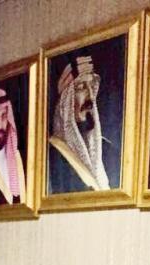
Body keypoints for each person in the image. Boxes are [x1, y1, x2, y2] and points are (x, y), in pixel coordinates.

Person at [48, 55, 118, 192]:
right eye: (81, 87)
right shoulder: (51, 154)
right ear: (65, 103)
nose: (90, 96)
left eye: (91, 86)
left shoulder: (108, 150)